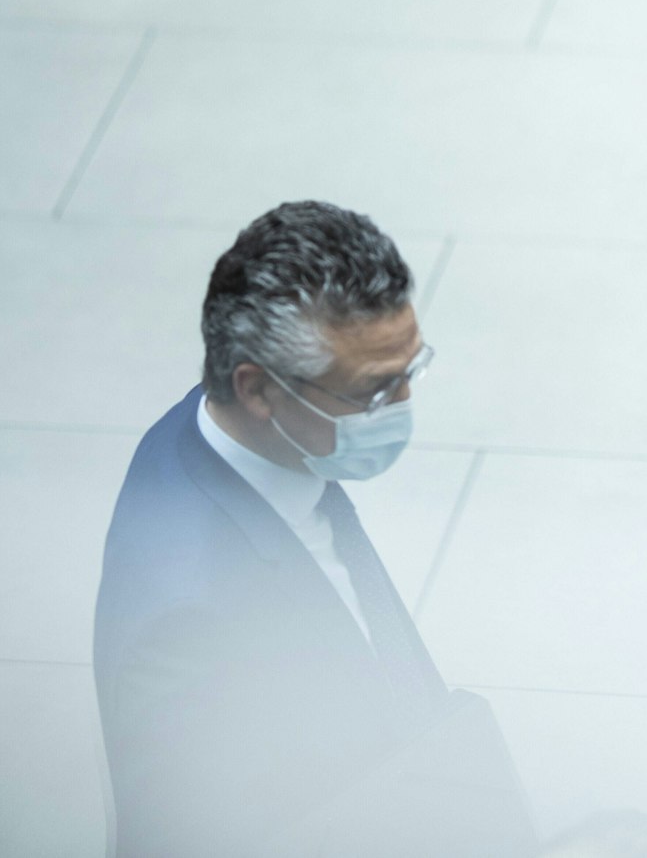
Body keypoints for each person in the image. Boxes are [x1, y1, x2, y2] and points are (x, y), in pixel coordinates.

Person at [94, 201, 467, 857]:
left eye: (410, 372)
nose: (403, 407)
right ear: (259, 389)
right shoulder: (185, 622)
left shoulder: (256, 442)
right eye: (375, 392)